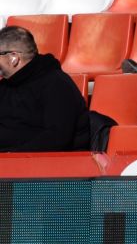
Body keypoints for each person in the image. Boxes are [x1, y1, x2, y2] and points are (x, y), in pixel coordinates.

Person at [0, 24, 88, 152]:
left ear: (13, 57)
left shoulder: (57, 84)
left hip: (47, 164)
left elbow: (57, 138)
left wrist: (11, 155)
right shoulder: (6, 86)